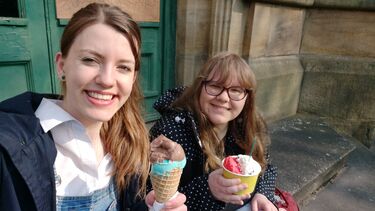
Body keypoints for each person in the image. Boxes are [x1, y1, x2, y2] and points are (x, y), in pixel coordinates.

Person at [0, 3, 186, 211]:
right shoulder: (7, 150)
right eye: (90, 60)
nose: (107, 80)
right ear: (62, 65)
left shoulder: (128, 142)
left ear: (133, 78)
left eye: (123, 67)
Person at [149, 52, 279, 210]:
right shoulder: (171, 131)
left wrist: (263, 193)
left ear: (247, 97)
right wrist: (207, 189)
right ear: (199, 87)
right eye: (215, 86)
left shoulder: (245, 127)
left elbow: (266, 166)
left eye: (236, 90)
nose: (224, 97)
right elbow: (150, 197)